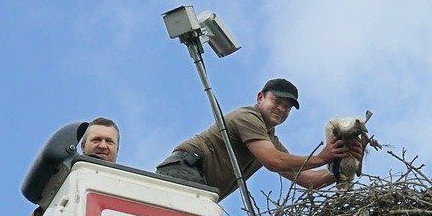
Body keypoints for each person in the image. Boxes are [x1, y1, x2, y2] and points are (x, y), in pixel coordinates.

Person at [155, 78, 363, 200]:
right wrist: (322, 158)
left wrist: (342, 168)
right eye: (277, 101)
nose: (281, 109)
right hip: (184, 171)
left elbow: (306, 179)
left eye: (287, 107)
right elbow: (274, 161)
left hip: (201, 187)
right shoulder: (248, 117)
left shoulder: (269, 140)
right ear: (260, 97)